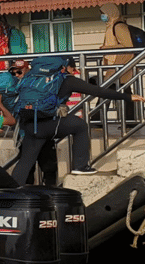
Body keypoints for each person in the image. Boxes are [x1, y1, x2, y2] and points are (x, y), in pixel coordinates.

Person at [12, 58, 145, 182]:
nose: (74, 72)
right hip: (51, 123)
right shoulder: (67, 79)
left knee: (25, 161)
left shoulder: (31, 78)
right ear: (66, 68)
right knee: (80, 126)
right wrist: (127, 97)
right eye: (73, 69)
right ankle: (80, 166)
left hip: (30, 123)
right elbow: (98, 91)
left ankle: (11, 194)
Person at [0, 70, 58, 186]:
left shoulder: (10, 99)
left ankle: (26, 193)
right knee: (48, 168)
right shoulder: (25, 91)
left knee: (27, 168)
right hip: (42, 130)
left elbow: (11, 120)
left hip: (25, 136)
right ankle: (51, 193)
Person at [99, 2, 137, 119]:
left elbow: (128, 45)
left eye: (104, 13)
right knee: (124, 92)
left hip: (121, 64)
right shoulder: (111, 26)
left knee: (106, 91)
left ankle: (97, 119)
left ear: (110, 13)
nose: (102, 16)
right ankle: (131, 120)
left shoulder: (119, 26)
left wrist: (106, 48)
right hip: (117, 64)